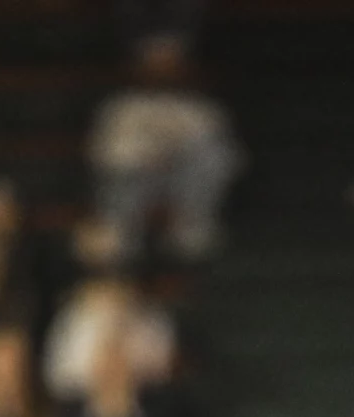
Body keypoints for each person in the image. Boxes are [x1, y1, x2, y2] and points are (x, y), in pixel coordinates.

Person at [87, 35, 242, 261]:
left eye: (170, 67)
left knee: (214, 159)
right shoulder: (121, 108)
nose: (163, 73)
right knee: (119, 173)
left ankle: (191, 227)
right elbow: (104, 153)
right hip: (135, 178)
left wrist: (176, 156)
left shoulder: (201, 109)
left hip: (184, 183)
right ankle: (119, 235)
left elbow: (225, 156)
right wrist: (147, 157)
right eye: (156, 67)